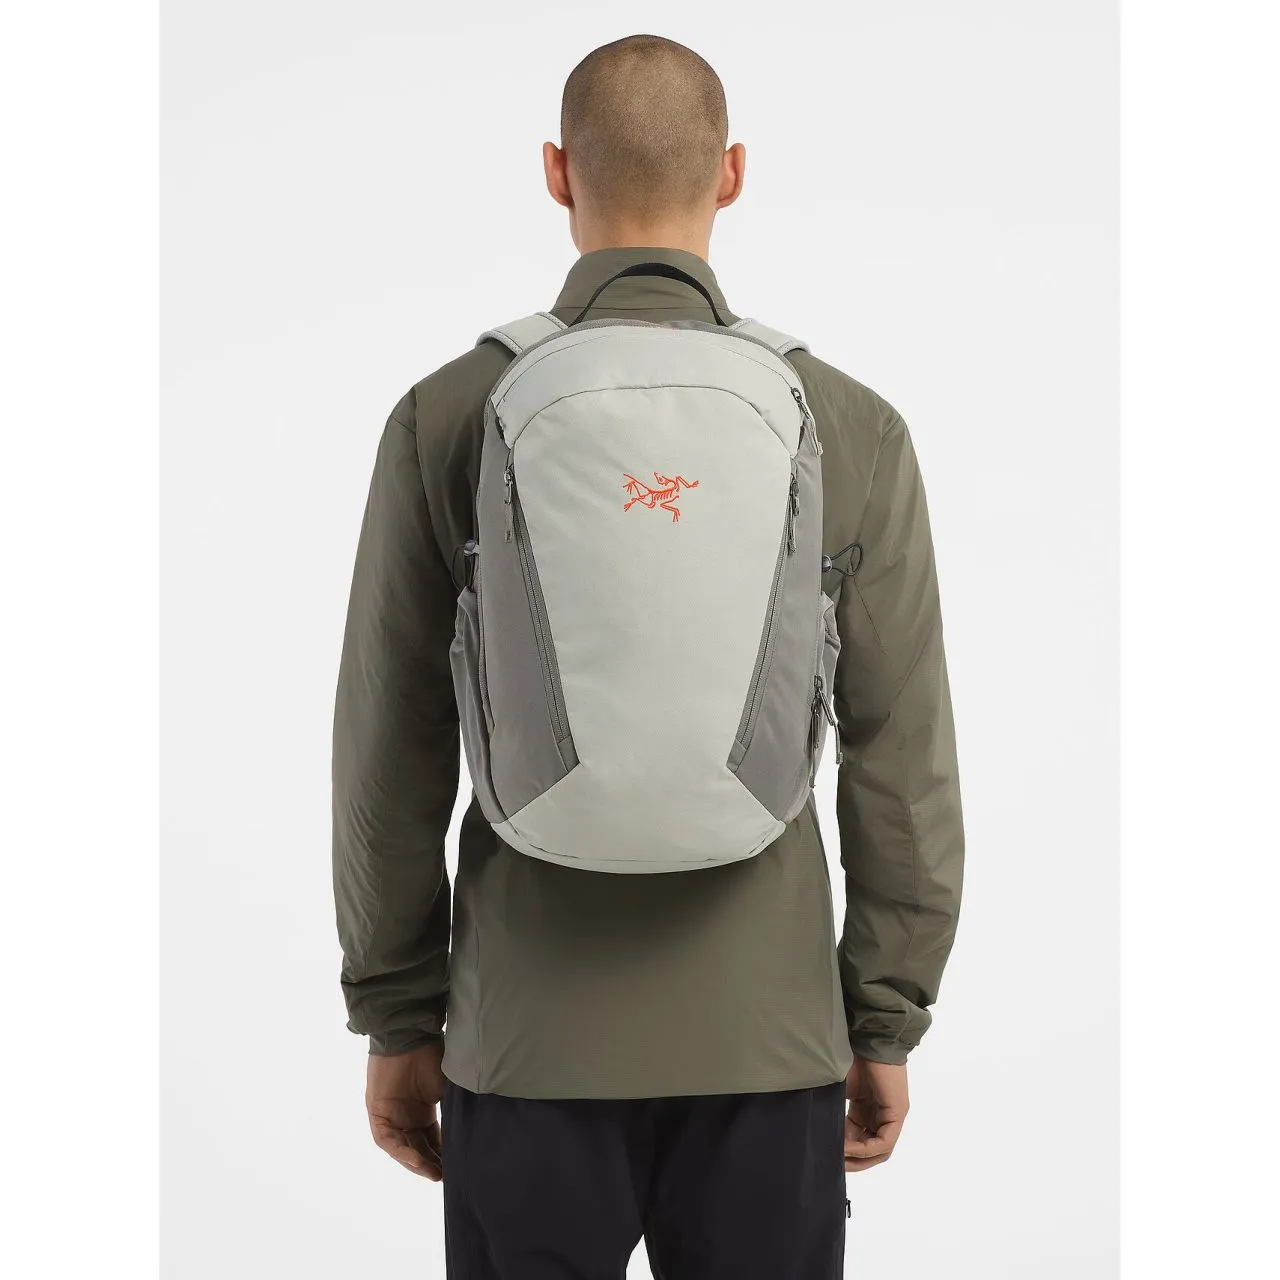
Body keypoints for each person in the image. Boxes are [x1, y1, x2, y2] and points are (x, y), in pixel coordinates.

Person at [333, 33, 964, 1280]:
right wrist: (882, 1015)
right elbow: (902, 761)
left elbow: (386, 756)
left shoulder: (444, 414)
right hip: (768, 1039)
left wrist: (397, 1014)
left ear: (556, 172)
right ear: (729, 173)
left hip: (524, 1041)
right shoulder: (849, 424)